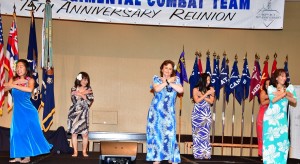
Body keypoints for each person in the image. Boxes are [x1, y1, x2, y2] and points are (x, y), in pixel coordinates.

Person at [4, 59, 53, 163]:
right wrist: (14, 83)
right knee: (16, 133)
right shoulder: (13, 79)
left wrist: (14, 85)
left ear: (26, 69)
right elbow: (5, 88)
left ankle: (27, 157)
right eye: (17, 67)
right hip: (17, 111)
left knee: (26, 133)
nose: (19, 69)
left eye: (21, 66)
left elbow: (29, 90)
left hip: (28, 111)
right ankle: (17, 156)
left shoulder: (30, 80)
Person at [146, 60, 183, 164]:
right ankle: (157, 157)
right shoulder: (156, 78)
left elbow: (180, 90)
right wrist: (167, 81)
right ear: (162, 69)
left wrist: (171, 81)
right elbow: (157, 89)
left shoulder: (176, 80)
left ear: (172, 71)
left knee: (170, 134)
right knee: (156, 133)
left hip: (169, 112)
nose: (167, 70)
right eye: (166, 68)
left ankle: (171, 156)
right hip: (156, 112)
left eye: (170, 69)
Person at [263, 69, 297, 163]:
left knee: (283, 143)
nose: (284, 78)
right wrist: (285, 94)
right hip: (270, 120)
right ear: (277, 78)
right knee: (270, 144)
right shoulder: (271, 88)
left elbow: (294, 100)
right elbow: (273, 100)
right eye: (282, 76)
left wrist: (284, 93)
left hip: (282, 120)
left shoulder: (290, 87)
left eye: (285, 76)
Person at [67, 72, 94, 157]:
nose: (85, 81)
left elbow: (89, 101)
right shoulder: (74, 88)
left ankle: (84, 152)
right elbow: (74, 100)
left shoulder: (89, 89)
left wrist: (80, 94)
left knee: (85, 134)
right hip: (74, 112)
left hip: (84, 113)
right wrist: (84, 93)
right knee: (74, 133)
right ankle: (75, 151)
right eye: (84, 79)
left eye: (86, 80)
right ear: (79, 79)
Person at [191, 73, 215, 159]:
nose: (208, 82)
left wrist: (203, 95)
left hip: (206, 114)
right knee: (197, 134)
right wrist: (205, 94)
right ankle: (198, 154)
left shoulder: (211, 89)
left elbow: (211, 101)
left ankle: (206, 154)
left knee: (205, 134)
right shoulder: (195, 89)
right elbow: (197, 100)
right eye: (207, 80)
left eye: (209, 80)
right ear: (202, 80)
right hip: (197, 114)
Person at [256, 78, 270, 158]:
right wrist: (272, 98)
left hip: (271, 116)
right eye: (266, 84)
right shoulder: (263, 92)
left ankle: (269, 154)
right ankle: (261, 154)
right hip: (263, 116)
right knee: (262, 135)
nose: (267, 86)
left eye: (269, 84)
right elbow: (262, 102)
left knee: (269, 135)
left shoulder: (275, 92)